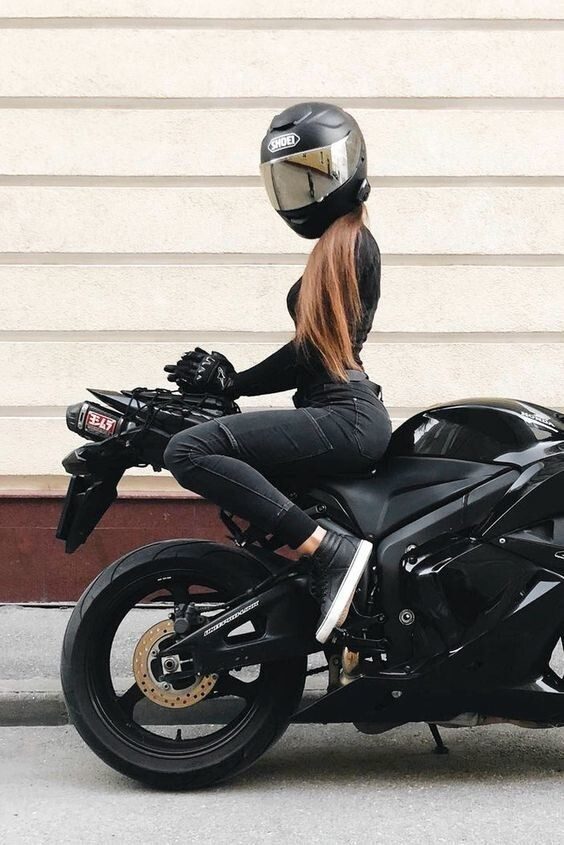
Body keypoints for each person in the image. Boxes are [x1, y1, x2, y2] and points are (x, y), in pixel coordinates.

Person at [164, 102, 392, 644]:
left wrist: (235, 381)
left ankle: (329, 551)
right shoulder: (335, 248)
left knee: (187, 451)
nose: (300, 193)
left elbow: (312, 351)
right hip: (339, 412)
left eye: (309, 177)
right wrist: (231, 382)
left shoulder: (352, 245)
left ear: (345, 169)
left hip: (345, 415)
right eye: (288, 180)